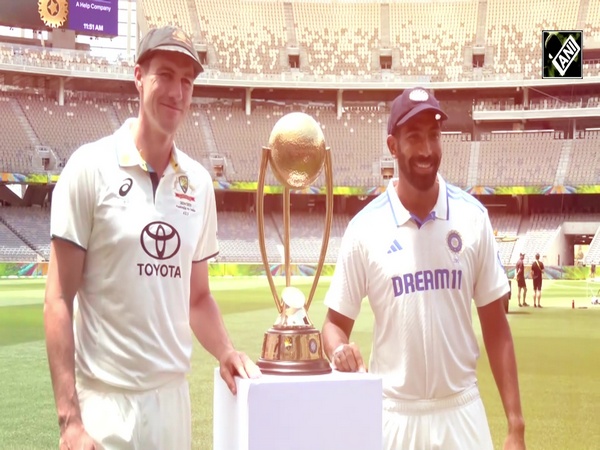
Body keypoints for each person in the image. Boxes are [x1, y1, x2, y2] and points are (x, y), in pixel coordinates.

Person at [44, 26, 260, 450]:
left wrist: (226, 351)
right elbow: (57, 299)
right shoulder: (89, 167)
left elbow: (197, 298)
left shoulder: (197, 183)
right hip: (105, 401)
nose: (177, 91)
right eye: (165, 74)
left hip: (171, 401)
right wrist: (70, 419)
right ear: (138, 76)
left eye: (187, 80)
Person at [322, 88, 525, 450]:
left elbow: (496, 327)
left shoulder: (473, 217)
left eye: (433, 135)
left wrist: (515, 426)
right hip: (394, 417)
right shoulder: (364, 228)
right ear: (392, 145)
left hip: (461, 411)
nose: (427, 150)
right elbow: (334, 325)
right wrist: (339, 351)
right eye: (414, 137)